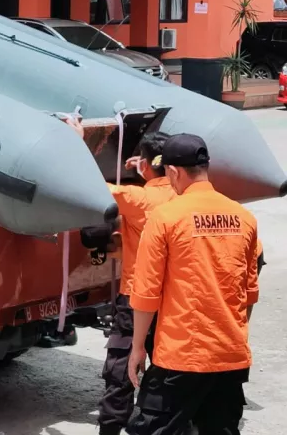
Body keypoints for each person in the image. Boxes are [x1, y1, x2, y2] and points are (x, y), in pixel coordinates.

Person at [127, 134, 259, 435]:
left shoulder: (165, 218)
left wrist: (137, 348)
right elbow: (248, 293)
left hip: (181, 356)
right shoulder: (244, 217)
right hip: (230, 355)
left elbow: (147, 294)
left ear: (173, 172)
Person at [95, 132, 176, 435]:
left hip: (136, 297)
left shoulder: (136, 198)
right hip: (175, 300)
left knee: (122, 366)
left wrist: (78, 140)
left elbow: (90, 187)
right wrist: (145, 170)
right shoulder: (184, 197)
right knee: (168, 367)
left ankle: (112, 426)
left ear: (147, 164)